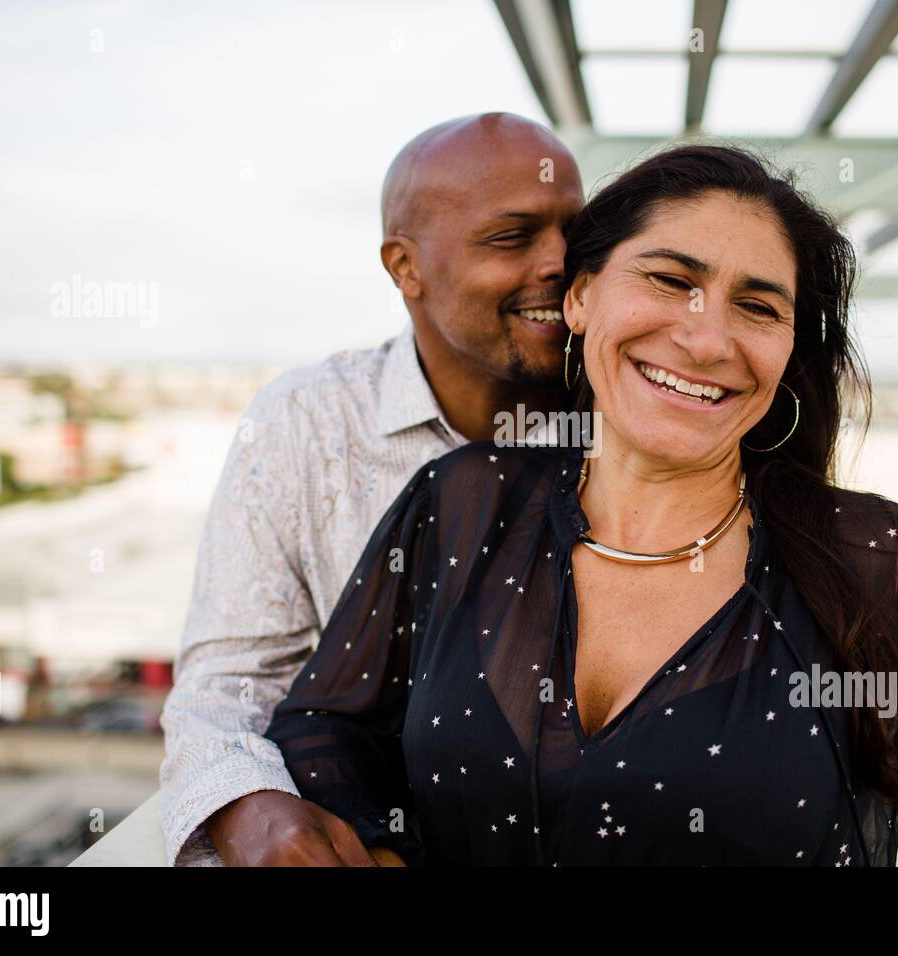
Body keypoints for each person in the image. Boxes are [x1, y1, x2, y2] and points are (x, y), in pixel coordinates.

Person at [264, 144, 898, 866]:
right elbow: (325, 723)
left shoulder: (887, 564)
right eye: (668, 279)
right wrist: (376, 845)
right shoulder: (460, 506)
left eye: (757, 306)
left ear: (788, 351)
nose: (707, 336)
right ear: (579, 296)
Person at [158, 113, 584, 866]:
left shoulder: (640, 418)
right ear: (405, 268)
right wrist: (248, 808)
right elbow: (228, 681)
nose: (561, 262)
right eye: (513, 237)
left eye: (575, 233)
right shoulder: (307, 422)